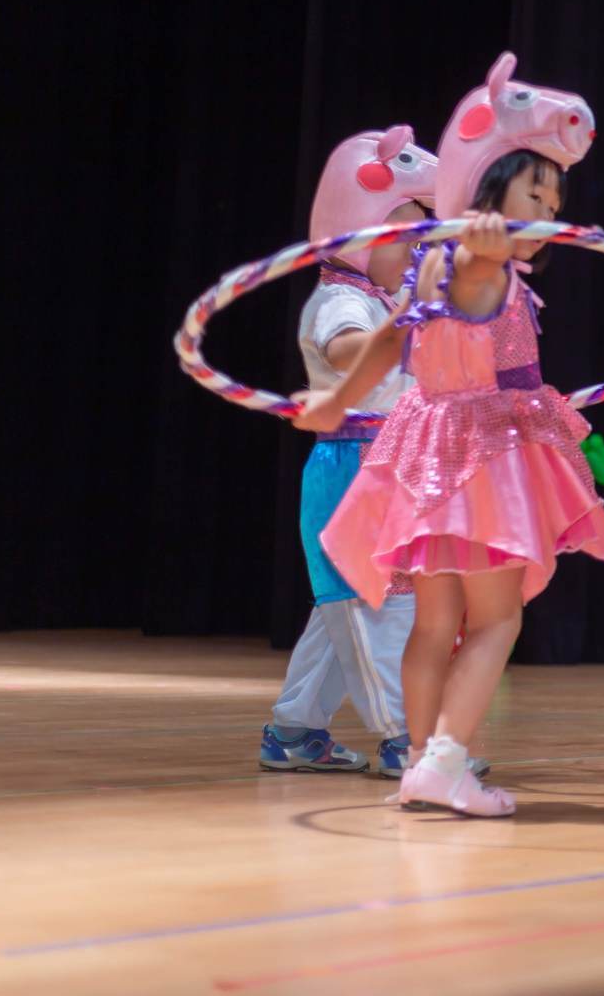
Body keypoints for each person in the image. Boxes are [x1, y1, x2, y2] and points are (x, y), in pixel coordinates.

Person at [296, 53, 604, 817]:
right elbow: (465, 296)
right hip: (482, 457)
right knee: (498, 617)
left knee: (437, 622)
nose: (546, 208)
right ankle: (444, 760)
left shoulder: (427, 261)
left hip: (424, 449)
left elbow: (389, 342)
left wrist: (335, 399)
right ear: (485, 191)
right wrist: (484, 251)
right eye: (531, 190)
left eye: (554, 194)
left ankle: (417, 760)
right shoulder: (481, 264)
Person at [260, 126, 439, 779]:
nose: (421, 251)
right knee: (377, 608)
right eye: (409, 237)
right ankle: (407, 737)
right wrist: (406, 325)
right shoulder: (342, 301)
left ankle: (293, 729)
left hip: (388, 469)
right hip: (351, 472)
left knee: (341, 608)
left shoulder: (391, 302)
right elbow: (346, 354)